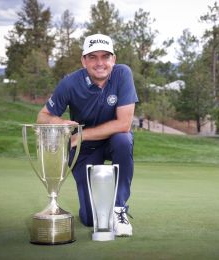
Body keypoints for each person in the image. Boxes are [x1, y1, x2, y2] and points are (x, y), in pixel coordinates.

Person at [36, 33, 138, 236]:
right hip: (84, 150)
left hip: (105, 141)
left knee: (123, 139)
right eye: (93, 57)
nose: (100, 63)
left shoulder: (122, 74)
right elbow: (43, 116)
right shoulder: (70, 83)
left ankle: (118, 209)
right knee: (91, 219)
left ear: (113, 59)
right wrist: (60, 121)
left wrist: (79, 136)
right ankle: (100, 210)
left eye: (105, 56)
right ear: (84, 60)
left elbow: (124, 124)